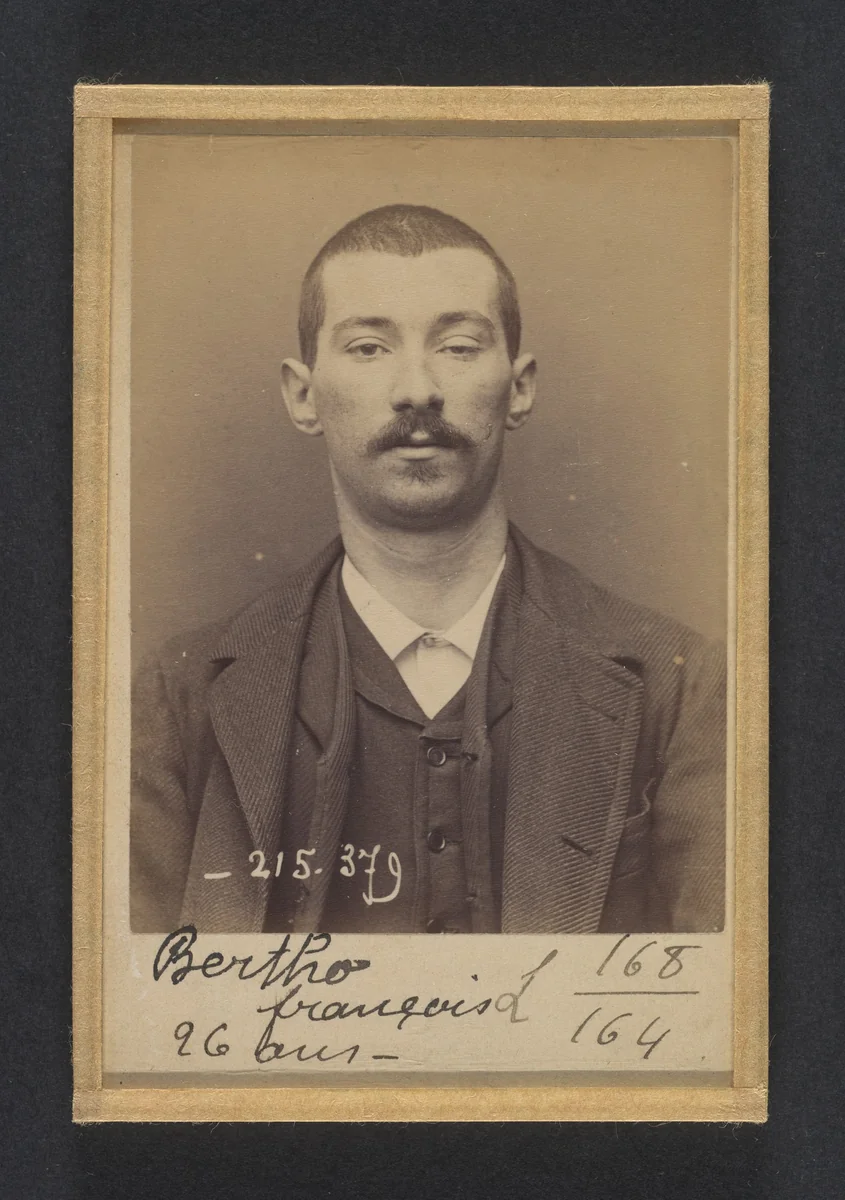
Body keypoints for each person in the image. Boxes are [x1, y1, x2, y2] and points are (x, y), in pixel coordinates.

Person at [131, 204, 726, 936]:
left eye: (457, 345)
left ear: (520, 386)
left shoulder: (679, 686)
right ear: (302, 394)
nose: (417, 389)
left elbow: (718, 1015)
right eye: (369, 348)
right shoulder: (176, 697)